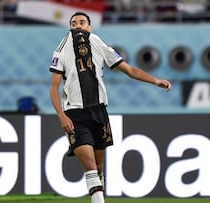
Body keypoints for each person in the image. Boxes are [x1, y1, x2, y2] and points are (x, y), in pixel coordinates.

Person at [49, 11, 171, 203]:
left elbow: (129, 70)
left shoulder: (98, 42)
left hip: (99, 112)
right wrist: (61, 115)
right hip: (74, 115)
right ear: (70, 27)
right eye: (73, 23)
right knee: (89, 164)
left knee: (98, 166)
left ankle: (98, 197)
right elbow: (54, 87)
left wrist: (155, 81)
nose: (78, 26)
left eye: (82, 22)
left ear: (90, 27)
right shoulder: (61, 49)